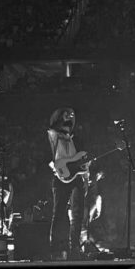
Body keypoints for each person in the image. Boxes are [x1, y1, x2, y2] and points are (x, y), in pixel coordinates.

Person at [47, 106, 88, 260]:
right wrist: (74, 159)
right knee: (59, 213)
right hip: (60, 178)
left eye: (71, 116)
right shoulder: (53, 135)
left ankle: (75, 246)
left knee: (78, 213)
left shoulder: (74, 137)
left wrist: (84, 169)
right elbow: (56, 162)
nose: (69, 118)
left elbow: (78, 160)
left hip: (75, 176)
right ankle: (55, 247)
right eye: (65, 115)